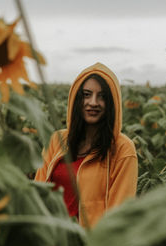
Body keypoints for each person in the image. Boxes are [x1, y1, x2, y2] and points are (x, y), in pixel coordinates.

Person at [35, 62, 138, 227]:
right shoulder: (56, 140)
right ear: (77, 99)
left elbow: (120, 215)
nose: (93, 102)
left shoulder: (122, 148)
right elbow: (38, 193)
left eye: (102, 96)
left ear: (112, 102)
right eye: (87, 94)